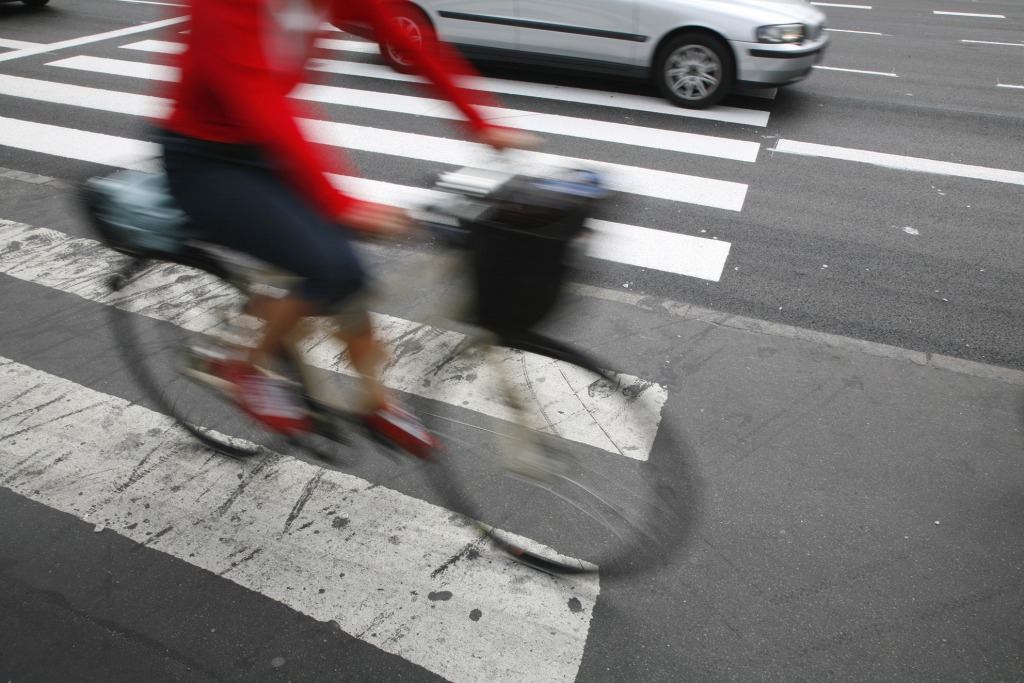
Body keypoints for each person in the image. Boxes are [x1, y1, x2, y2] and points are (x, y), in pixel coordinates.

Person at [158, 0, 536, 457]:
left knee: (350, 278)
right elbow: (253, 92)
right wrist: (341, 203)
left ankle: (374, 402)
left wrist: (480, 121)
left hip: (268, 143)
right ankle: (241, 367)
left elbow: (408, 40)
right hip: (205, 159)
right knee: (330, 267)